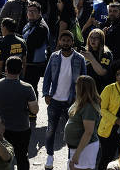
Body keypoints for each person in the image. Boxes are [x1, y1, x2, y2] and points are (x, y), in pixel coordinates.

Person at [42, 30, 87, 169]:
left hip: (72, 102)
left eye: (68, 41)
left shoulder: (79, 58)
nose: (66, 43)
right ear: (59, 42)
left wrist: (81, 100)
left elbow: (84, 81)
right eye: (63, 40)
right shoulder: (54, 56)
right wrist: (46, 94)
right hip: (54, 100)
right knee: (51, 130)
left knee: (72, 133)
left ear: (72, 42)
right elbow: (47, 76)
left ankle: (70, 161)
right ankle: (50, 156)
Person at [0, 56, 38, 170]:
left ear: (6, 69)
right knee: (22, 157)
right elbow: (34, 110)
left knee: (2, 157)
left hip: (1, 129)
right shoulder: (28, 88)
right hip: (21, 128)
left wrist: (0, 103)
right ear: (21, 69)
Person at [64, 75, 102, 170]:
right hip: (77, 147)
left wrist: (77, 154)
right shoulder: (80, 101)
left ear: (82, 88)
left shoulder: (89, 107)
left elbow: (88, 132)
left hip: (85, 148)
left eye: (77, 84)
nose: (75, 86)